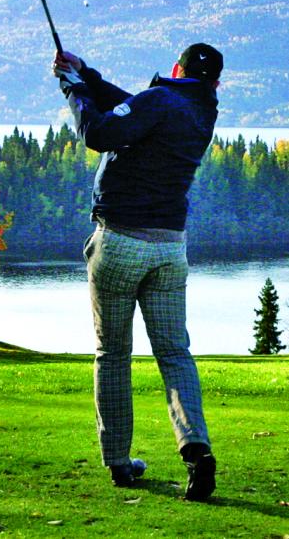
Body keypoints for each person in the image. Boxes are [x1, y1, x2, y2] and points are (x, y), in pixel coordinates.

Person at [52, 42, 223, 502]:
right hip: (170, 248)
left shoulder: (161, 101)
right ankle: (196, 450)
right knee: (174, 354)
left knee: (112, 354)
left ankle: (120, 463)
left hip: (122, 242)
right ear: (215, 83)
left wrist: (72, 89)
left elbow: (101, 132)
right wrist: (87, 73)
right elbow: (135, 107)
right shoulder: (199, 112)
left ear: (176, 68)